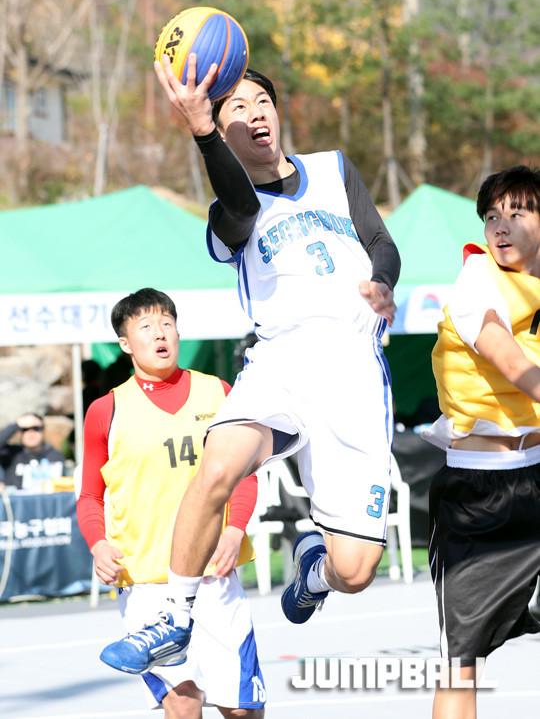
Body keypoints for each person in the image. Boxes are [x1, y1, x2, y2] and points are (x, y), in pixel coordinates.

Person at [102, 54, 401, 672]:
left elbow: (380, 240)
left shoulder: (332, 169)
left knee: (355, 572)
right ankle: (175, 616)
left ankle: (313, 569)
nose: (255, 112)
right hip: (281, 363)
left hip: (354, 375)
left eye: (261, 101)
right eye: (236, 107)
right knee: (217, 465)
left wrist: (383, 282)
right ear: (223, 131)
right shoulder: (229, 212)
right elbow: (239, 202)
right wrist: (200, 130)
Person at [77, 288, 265, 718]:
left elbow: (244, 474)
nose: (160, 334)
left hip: (213, 575)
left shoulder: (218, 392)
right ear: (125, 343)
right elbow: (89, 495)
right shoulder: (106, 410)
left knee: (241, 709)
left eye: (167, 323)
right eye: (146, 326)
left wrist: (234, 530)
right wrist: (98, 545)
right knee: (182, 702)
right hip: (145, 582)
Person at [422, 165, 540, 719]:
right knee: (461, 665)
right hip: (479, 498)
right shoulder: (478, 278)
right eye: (491, 215)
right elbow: (510, 360)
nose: (500, 225)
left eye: (516, 212)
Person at [0, 413, 65, 491]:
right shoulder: (12, 453)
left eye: (36, 428)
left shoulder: (55, 455)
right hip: (15, 498)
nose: (31, 433)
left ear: (43, 431)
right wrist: (16, 425)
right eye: (25, 429)